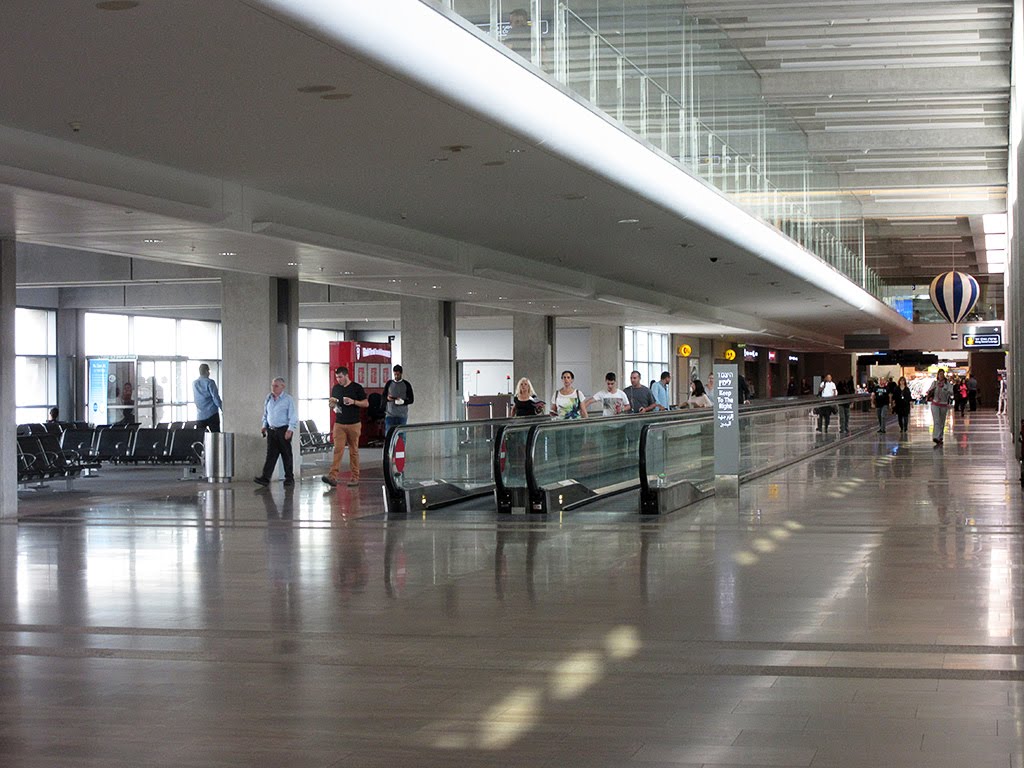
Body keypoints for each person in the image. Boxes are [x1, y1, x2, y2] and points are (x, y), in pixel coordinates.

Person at [322, 366, 369, 488]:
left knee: (353, 451)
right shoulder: (336, 388)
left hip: (354, 423)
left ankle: (355, 477)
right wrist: (332, 405)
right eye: (337, 377)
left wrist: (353, 402)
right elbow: (334, 405)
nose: (338, 380)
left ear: (346, 375)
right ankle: (332, 476)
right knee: (338, 449)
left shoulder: (356, 388)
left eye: (340, 377)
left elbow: (366, 403)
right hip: (339, 423)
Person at [254, 377, 297, 487]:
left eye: (276, 386)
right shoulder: (269, 398)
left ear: (283, 387)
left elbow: (293, 416)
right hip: (271, 430)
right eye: (272, 385)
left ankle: (289, 478)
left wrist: (290, 429)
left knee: (286, 454)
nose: (273, 388)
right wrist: (264, 426)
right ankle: (265, 477)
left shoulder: (288, 399)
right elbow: (266, 414)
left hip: (283, 429)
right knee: (271, 455)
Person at [382, 364, 414, 434]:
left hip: (402, 415)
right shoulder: (389, 383)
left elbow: (411, 399)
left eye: (398, 375)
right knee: (389, 434)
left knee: (402, 435)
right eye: (395, 374)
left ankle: (402, 445)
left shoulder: (406, 384)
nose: (396, 376)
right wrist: (387, 399)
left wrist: (403, 402)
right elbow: (383, 396)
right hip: (390, 414)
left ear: (401, 374)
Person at [926, 368, 954, 445]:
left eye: (942, 374)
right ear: (937, 375)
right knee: (937, 421)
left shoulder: (947, 384)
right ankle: (936, 437)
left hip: (943, 404)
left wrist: (946, 389)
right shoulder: (935, 383)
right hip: (935, 404)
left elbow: (951, 393)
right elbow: (929, 391)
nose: (941, 376)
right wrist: (930, 392)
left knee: (942, 421)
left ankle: (940, 437)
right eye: (939, 374)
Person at [192, 363, 223, 432]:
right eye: (209, 371)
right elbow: (216, 398)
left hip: (200, 415)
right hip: (212, 413)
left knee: (200, 437)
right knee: (215, 436)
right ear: (206, 371)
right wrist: (222, 408)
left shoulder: (194, 383)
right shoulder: (210, 382)